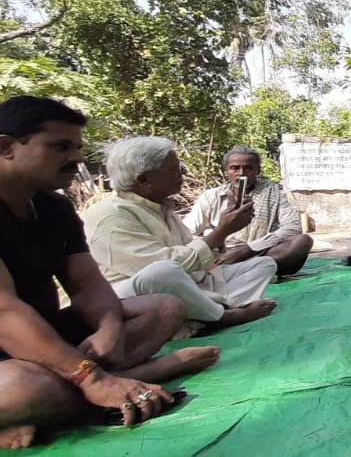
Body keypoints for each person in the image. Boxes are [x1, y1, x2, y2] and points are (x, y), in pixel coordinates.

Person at [0, 97, 219, 447]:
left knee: (164, 307)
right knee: (21, 389)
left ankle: (62, 400)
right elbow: (5, 313)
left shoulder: (54, 206)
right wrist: (92, 379)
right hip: (12, 352)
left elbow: (87, 285)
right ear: (6, 147)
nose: (76, 159)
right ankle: (140, 375)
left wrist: (110, 327)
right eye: (60, 146)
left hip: (42, 340)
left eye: (77, 147)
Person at [84, 137, 278, 327]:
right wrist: (221, 231)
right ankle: (222, 316)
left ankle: (205, 312)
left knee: (264, 263)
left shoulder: (160, 206)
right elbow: (165, 266)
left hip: (186, 283)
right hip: (132, 296)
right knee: (163, 271)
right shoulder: (110, 215)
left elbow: (192, 251)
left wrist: (223, 233)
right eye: (174, 169)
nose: (182, 173)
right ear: (143, 180)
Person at [184, 146, 314, 276]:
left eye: (248, 168)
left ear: (258, 171)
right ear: (226, 171)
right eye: (235, 168)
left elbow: (293, 226)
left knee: (303, 241)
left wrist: (249, 249)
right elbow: (187, 231)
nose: (241, 173)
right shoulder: (211, 196)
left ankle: (240, 271)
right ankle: (242, 271)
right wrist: (215, 245)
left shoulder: (274, 193)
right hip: (220, 256)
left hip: (258, 252)